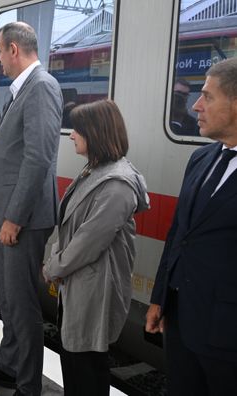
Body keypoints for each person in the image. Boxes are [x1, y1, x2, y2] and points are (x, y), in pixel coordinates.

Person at [0, 22, 63, 395]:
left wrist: (15, 216)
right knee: (7, 298)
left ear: (14, 50)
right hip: (9, 216)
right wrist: (2, 212)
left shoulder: (41, 88)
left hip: (24, 220)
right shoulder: (25, 90)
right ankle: (8, 365)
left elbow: (38, 159)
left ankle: (28, 385)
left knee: (22, 305)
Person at [43, 100, 149, 396]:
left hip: (94, 289)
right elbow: (69, 229)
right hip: (79, 283)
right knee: (74, 362)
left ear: (96, 133)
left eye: (77, 129)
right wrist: (57, 261)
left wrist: (53, 267)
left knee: (87, 367)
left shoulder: (117, 185)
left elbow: (87, 243)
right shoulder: (95, 170)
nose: (71, 135)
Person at [146, 58, 237, 395]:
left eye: (207, 97)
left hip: (228, 335)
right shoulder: (201, 158)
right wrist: (160, 299)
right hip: (182, 322)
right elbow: (178, 235)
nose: (196, 106)